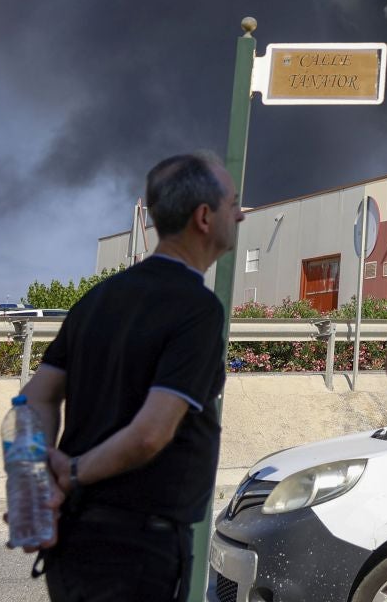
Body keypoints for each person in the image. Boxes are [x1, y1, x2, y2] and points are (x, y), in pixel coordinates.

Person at [19, 152, 244, 602]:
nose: (240, 214)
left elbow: (35, 399)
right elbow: (151, 434)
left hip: (75, 544)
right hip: (137, 553)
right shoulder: (197, 310)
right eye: (233, 202)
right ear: (204, 217)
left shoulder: (97, 300)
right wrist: (73, 473)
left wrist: (39, 478)